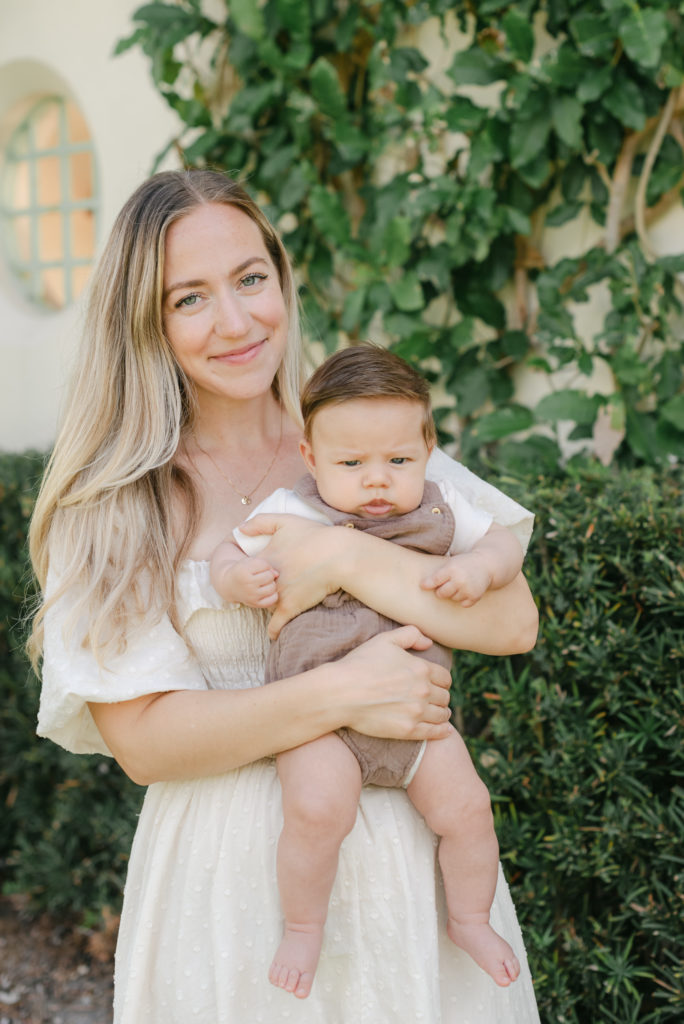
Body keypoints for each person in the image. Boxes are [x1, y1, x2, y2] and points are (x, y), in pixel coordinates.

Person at [29, 168, 541, 1024]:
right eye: (188, 298)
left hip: (403, 872)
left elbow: (512, 620)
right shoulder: (114, 501)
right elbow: (146, 743)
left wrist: (340, 554)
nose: (236, 322)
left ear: (281, 279)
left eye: (251, 279)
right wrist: (342, 692)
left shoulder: (360, 437)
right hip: (228, 885)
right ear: (143, 322)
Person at [212, 344, 525, 998]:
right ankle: (303, 926)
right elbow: (225, 555)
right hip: (319, 723)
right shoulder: (295, 510)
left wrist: (479, 568)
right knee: (318, 809)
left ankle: (470, 917)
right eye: (351, 463)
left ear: (428, 449)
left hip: (417, 719)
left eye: (399, 461)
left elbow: (505, 543)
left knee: (469, 808)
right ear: (311, 458)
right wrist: (240, 579)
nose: (377, 480)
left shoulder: (442, 509)